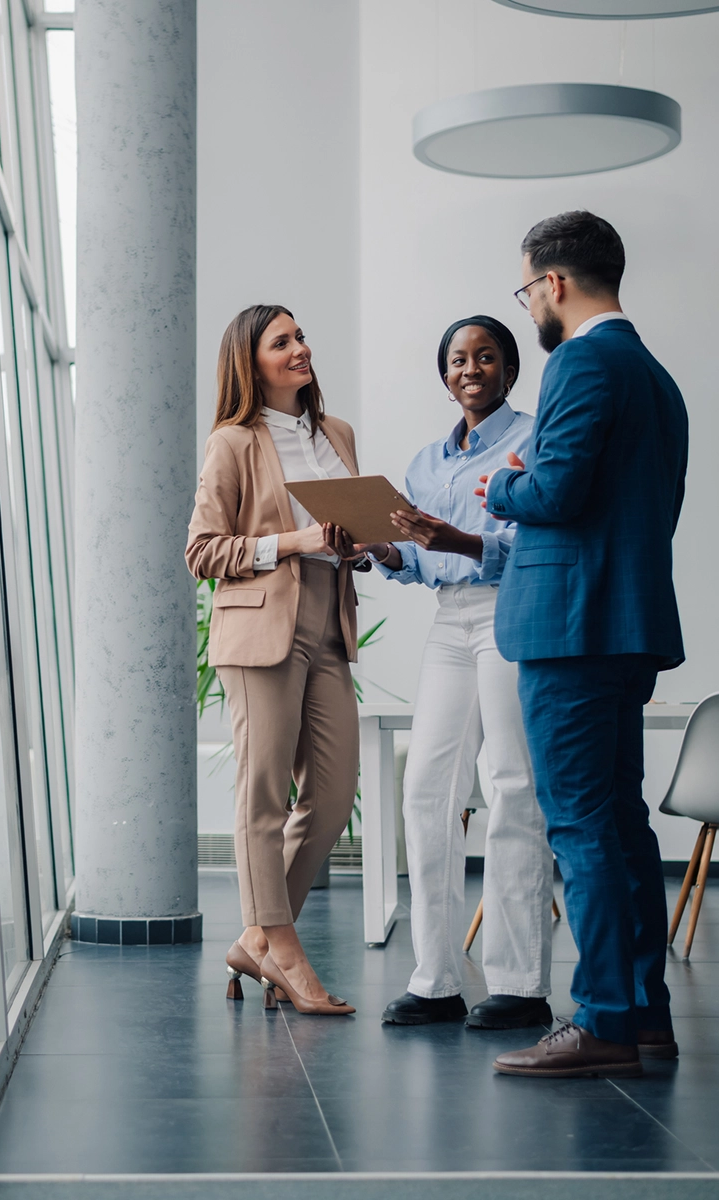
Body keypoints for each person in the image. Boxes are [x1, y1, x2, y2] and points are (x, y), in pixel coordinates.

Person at [478, 211, 688, 1078]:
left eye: (526, 289)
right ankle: (642, 1015)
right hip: (621, 624)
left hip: (573, 628)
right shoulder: (654, 374)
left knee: (580, 828)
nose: (529, 304)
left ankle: (602, 1020)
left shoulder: (582, 361)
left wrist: (504, 486)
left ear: (554, 284)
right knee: (619, 824)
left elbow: (557, 493)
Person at [329, 316, 555, 1029]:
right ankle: (436, 979)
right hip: (450, 621)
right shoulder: (429, 461)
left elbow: (532, 545)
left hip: (512, 614)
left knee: (513, 787)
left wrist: (455, 538)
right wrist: (384, 553)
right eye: (458, 358)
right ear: (445, 374)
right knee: (427, 789)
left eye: (486, 356)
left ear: (510, 371)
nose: (470, 368)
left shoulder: (534, 441)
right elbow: (425, 563)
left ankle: (519, 985)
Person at [186, 304, 363, 1015]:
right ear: (250, 361)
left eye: (300, 337)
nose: (300, 349)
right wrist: (294, 542)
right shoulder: (233, 442)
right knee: (263, 796)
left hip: (329, 623)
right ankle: (281, 947)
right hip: (262, 629)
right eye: (281, 341)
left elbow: (344, 533)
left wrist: (364, 543)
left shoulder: (337, 434)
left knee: (331, 794)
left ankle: (256, 938)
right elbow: (202, 552)